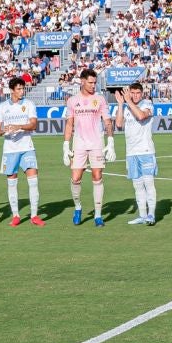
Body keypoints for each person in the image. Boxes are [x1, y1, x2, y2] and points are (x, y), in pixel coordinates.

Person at [0, 76, 43, 226]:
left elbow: (33, 125)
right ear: (11, 90)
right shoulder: (2, 107)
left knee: (33, 182)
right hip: (10, 150)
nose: (22, 91)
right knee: (12, 183)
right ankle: (16, 215)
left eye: (23, 88)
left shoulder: (29, 104)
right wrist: (4, 131)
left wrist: (18, 126)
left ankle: (34, 216)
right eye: (19, 89)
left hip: (27, 148)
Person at [63, 66, 110, 226]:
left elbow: (107, 121)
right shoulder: (72, 101)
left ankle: (98, 215)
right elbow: (69, 123)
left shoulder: (100, 99)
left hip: (97, 143)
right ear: (82, 82)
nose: (93, 86)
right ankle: (78, 207)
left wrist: (110, 142)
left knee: (97, 177)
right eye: (90, 83)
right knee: (75, 178)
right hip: (79, 144)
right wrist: (65, 145)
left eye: (95, 83)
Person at [114, 81, 159, 225]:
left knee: (148, 183)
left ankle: (151, 215)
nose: (134, 95)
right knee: (137, 185)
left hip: (146, 151)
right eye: (132, 93)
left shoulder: (147, 104)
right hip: (131, 153)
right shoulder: (126, 106)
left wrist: (128, 101)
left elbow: (140, 116)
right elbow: (119, 125)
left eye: (137, 93)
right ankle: (142, 215)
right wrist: (121, 104)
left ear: (142, 93)